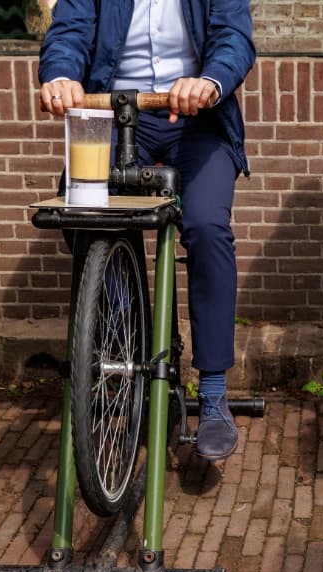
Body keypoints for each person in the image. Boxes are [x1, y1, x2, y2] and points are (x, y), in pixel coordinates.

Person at [38, 0, 256, 460]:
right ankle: (123, 325)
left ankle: (213, 391)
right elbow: (70, 31)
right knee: (78, 205)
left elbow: (233, 37)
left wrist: (210, 81)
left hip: (198, 122)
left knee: (207, 224)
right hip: (115, 117)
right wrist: (59, 74)